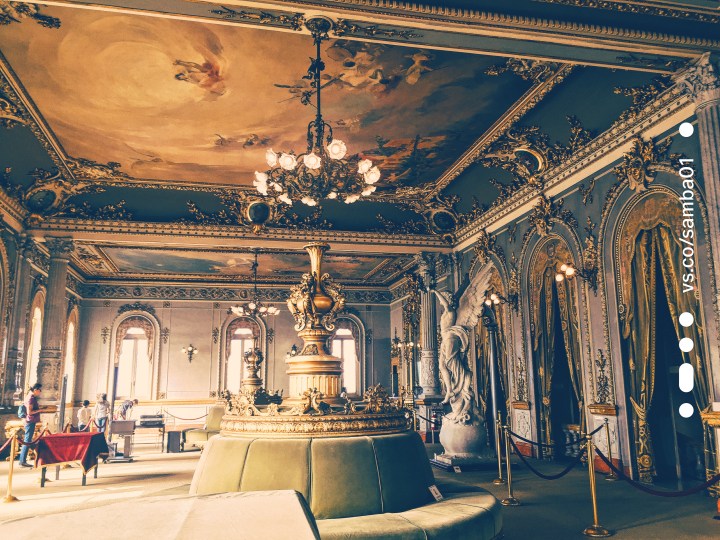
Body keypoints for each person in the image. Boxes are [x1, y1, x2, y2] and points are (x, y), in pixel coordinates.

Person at [19, 383, 44, 467]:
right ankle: (22, 461)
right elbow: (30, 412)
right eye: (40, 390)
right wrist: (39, 411)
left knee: (28, 440)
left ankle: (23, 460)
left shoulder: (30, 396)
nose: (40, 392)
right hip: (30, 421)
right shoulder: (31, 398)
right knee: (27, 440)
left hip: (30, 421)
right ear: (36, 390)